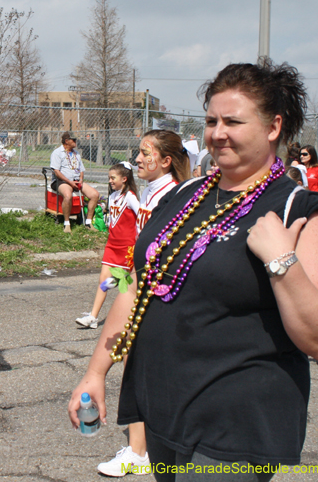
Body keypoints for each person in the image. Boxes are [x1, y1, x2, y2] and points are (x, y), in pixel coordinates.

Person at [69, 60, 318, 481]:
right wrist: (95, 372)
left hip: (233, 425)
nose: (218, 133)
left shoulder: (300, 211)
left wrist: (281, 262)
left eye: (233, 121)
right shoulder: (180, 195)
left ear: (273, 127)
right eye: (212, 120)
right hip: (163, 409)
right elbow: (134, 283)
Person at [93, 128, 191, 477]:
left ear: (166, 161)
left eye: (145, 154)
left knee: (133, 361)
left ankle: (140, 451)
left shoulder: (173, 194)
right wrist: (122, 279)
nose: (137, 160)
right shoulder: (152, 191)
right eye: (138, 152)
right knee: (132, 362)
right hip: (143, 287)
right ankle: (144, 444)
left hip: (160, 297)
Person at [75, 162, 139, 329]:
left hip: (127, 247)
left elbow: (142, 218)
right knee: (103, 280)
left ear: (124, 179)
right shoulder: (112, 197)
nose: (110, 181)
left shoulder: (130, 197)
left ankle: (135, 317)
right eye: (109, 178)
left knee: (123, 282)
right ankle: (93, 317)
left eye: (113, 178)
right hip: (112, 245)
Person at [50, 131, 100, 233]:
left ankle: (88, 222)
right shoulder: (57, 153)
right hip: (62, 181)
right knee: (68, 196)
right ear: (66, 141)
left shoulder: (76, 153)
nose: (76, 142)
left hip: (76, 180)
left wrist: (81, 180)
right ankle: (67, 223)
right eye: (74, 140)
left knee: (95, 194)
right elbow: (56, 172)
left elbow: (81, 169)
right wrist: (69, 182)